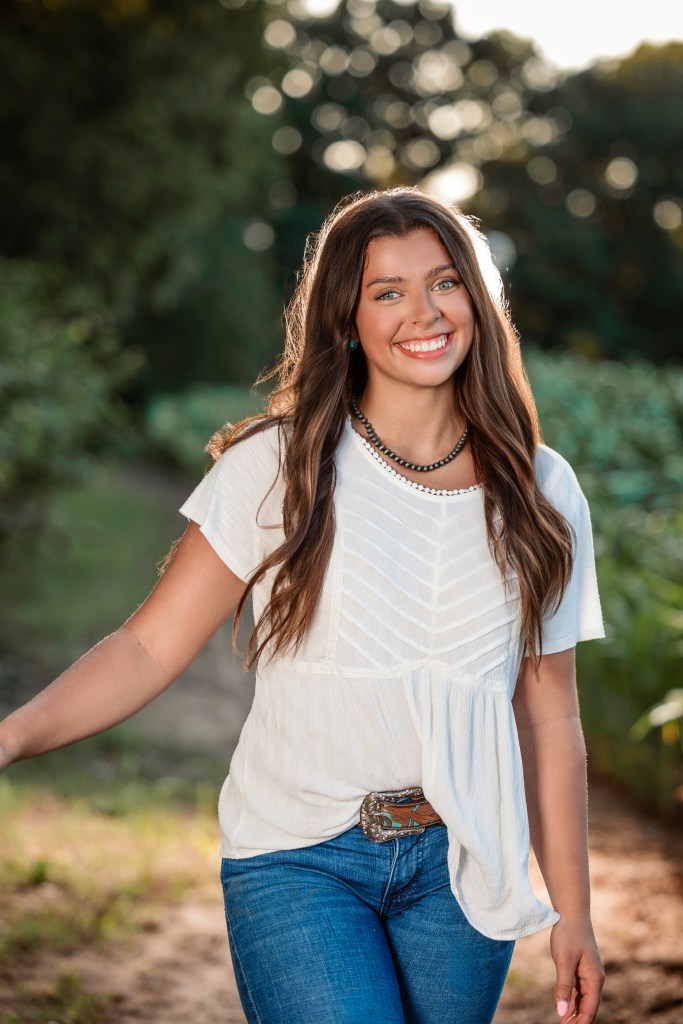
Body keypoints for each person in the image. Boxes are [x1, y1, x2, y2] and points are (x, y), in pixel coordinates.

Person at [0, 187, 606, 1024]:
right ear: (344, 320)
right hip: (300, 858)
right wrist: (11, 736)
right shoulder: (279, 467)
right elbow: (146, 648)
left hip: (467, 865)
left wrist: (572, 911)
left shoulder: (543, 489)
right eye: (385, 292)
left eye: (444, 282)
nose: (422, 312)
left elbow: (545, 710)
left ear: (477, 296)